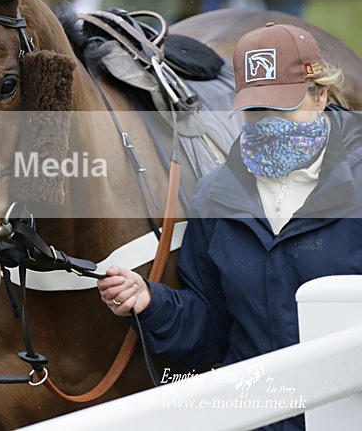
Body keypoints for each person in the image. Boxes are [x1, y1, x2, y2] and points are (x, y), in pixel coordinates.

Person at [98, 23, 362, 431]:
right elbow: (210, 328)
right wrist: (152, 304)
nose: (269, 123)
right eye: (257, 111)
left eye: (283, 106)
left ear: (321, 95)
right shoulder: (215, 197)